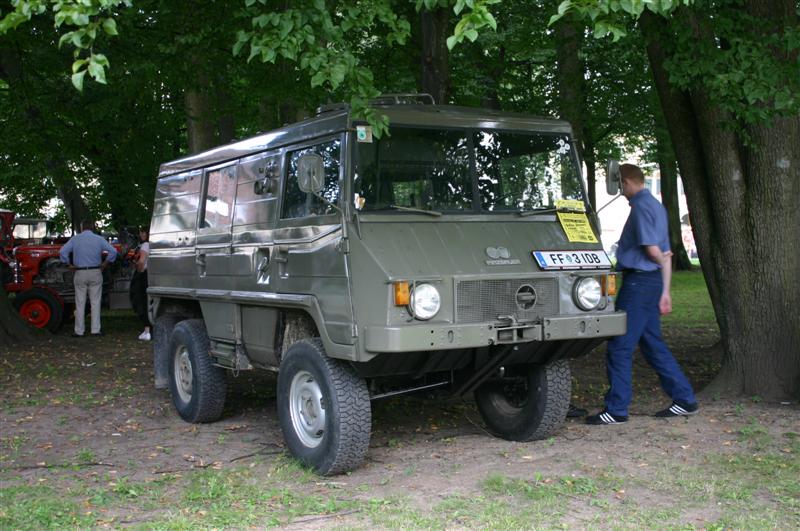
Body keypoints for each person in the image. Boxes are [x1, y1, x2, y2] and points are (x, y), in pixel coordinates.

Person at [586, 164, 698, 425]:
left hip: (638, 284)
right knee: (652, 344)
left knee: (620, 347)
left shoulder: (640, 208)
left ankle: (616, 409)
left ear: (626, 182)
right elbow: (666, 255)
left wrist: (658, 262)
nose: (619, 190)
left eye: (619, 185)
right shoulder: (657, 206)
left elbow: (652, 250)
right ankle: (684, 399)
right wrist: (665, 290)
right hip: (652, 283)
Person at [59, 220, 118, 337]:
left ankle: (79, 331)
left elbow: (62, 251)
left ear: (81, 228)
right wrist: (105, 264)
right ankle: (95, 330)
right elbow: (113, 251)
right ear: (92, 227)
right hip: (96, 271)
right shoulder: (99, 239)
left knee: (80, 302)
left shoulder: (75, 239)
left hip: (80, 271)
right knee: (95, 302)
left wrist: (68, 264)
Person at [130, 227, 151, 341]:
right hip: (152, 274)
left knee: (142, 300)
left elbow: (142, 261)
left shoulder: (145, 246)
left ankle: (147, 330)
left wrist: (137, 266)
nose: (140, 234)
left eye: (142, 232)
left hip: (143, 275)